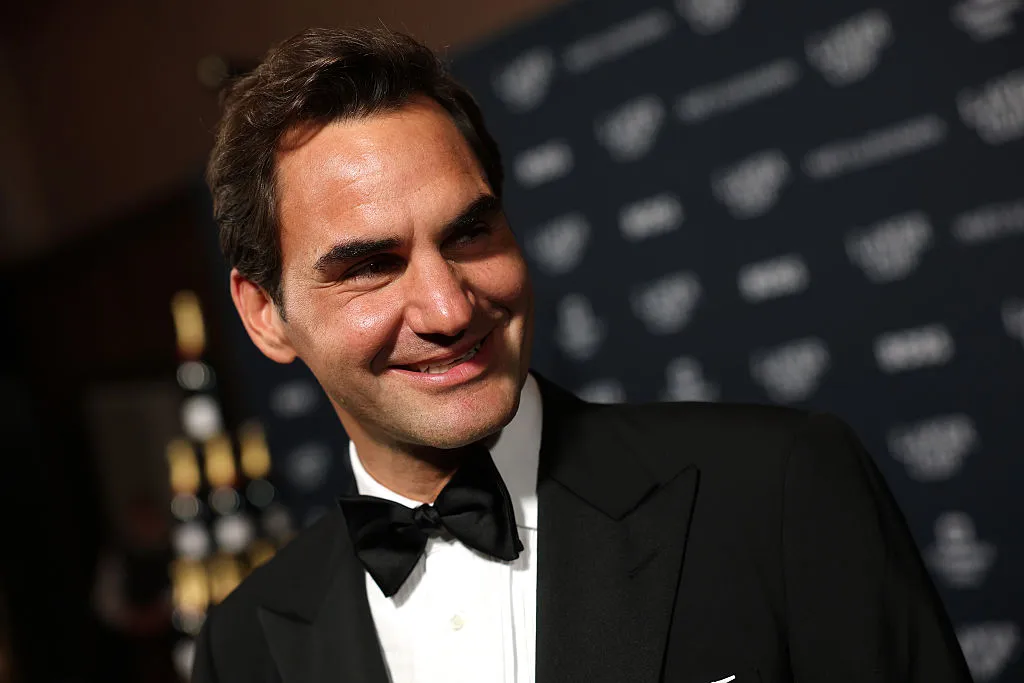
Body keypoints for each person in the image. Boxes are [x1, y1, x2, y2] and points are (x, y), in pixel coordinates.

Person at [193, 27, 971, 683]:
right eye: (370, 264)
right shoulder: (243, 644)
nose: (449, 307)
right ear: (266, 315)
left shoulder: (780, 489)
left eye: (470, 232)